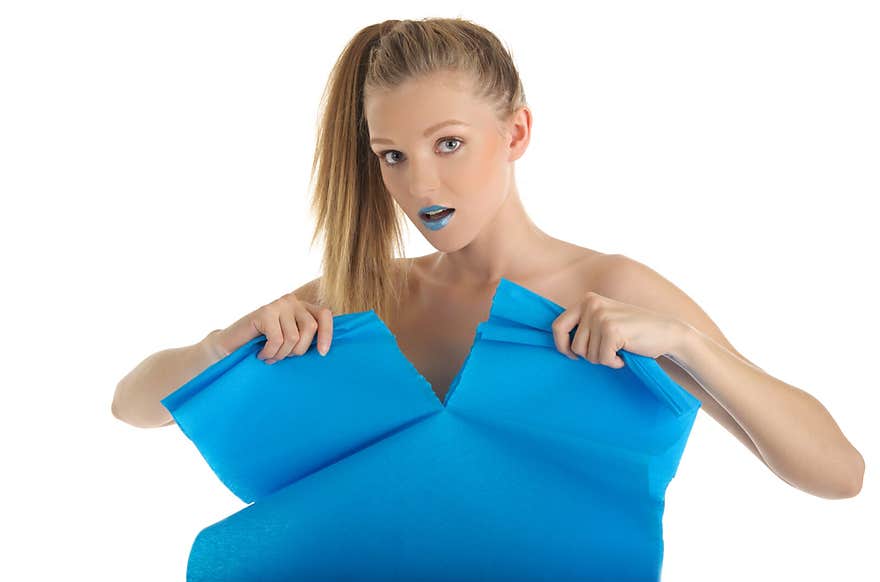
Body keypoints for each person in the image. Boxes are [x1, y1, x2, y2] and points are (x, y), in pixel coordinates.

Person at [112, 17, 863, 500]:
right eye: (392, 156)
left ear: (516, 133)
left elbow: (839, 473)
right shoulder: (362, 294)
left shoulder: (607, 288)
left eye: (448, 144)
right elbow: (134, 405)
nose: (422, 184)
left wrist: (689, 346)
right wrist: (222, 345)